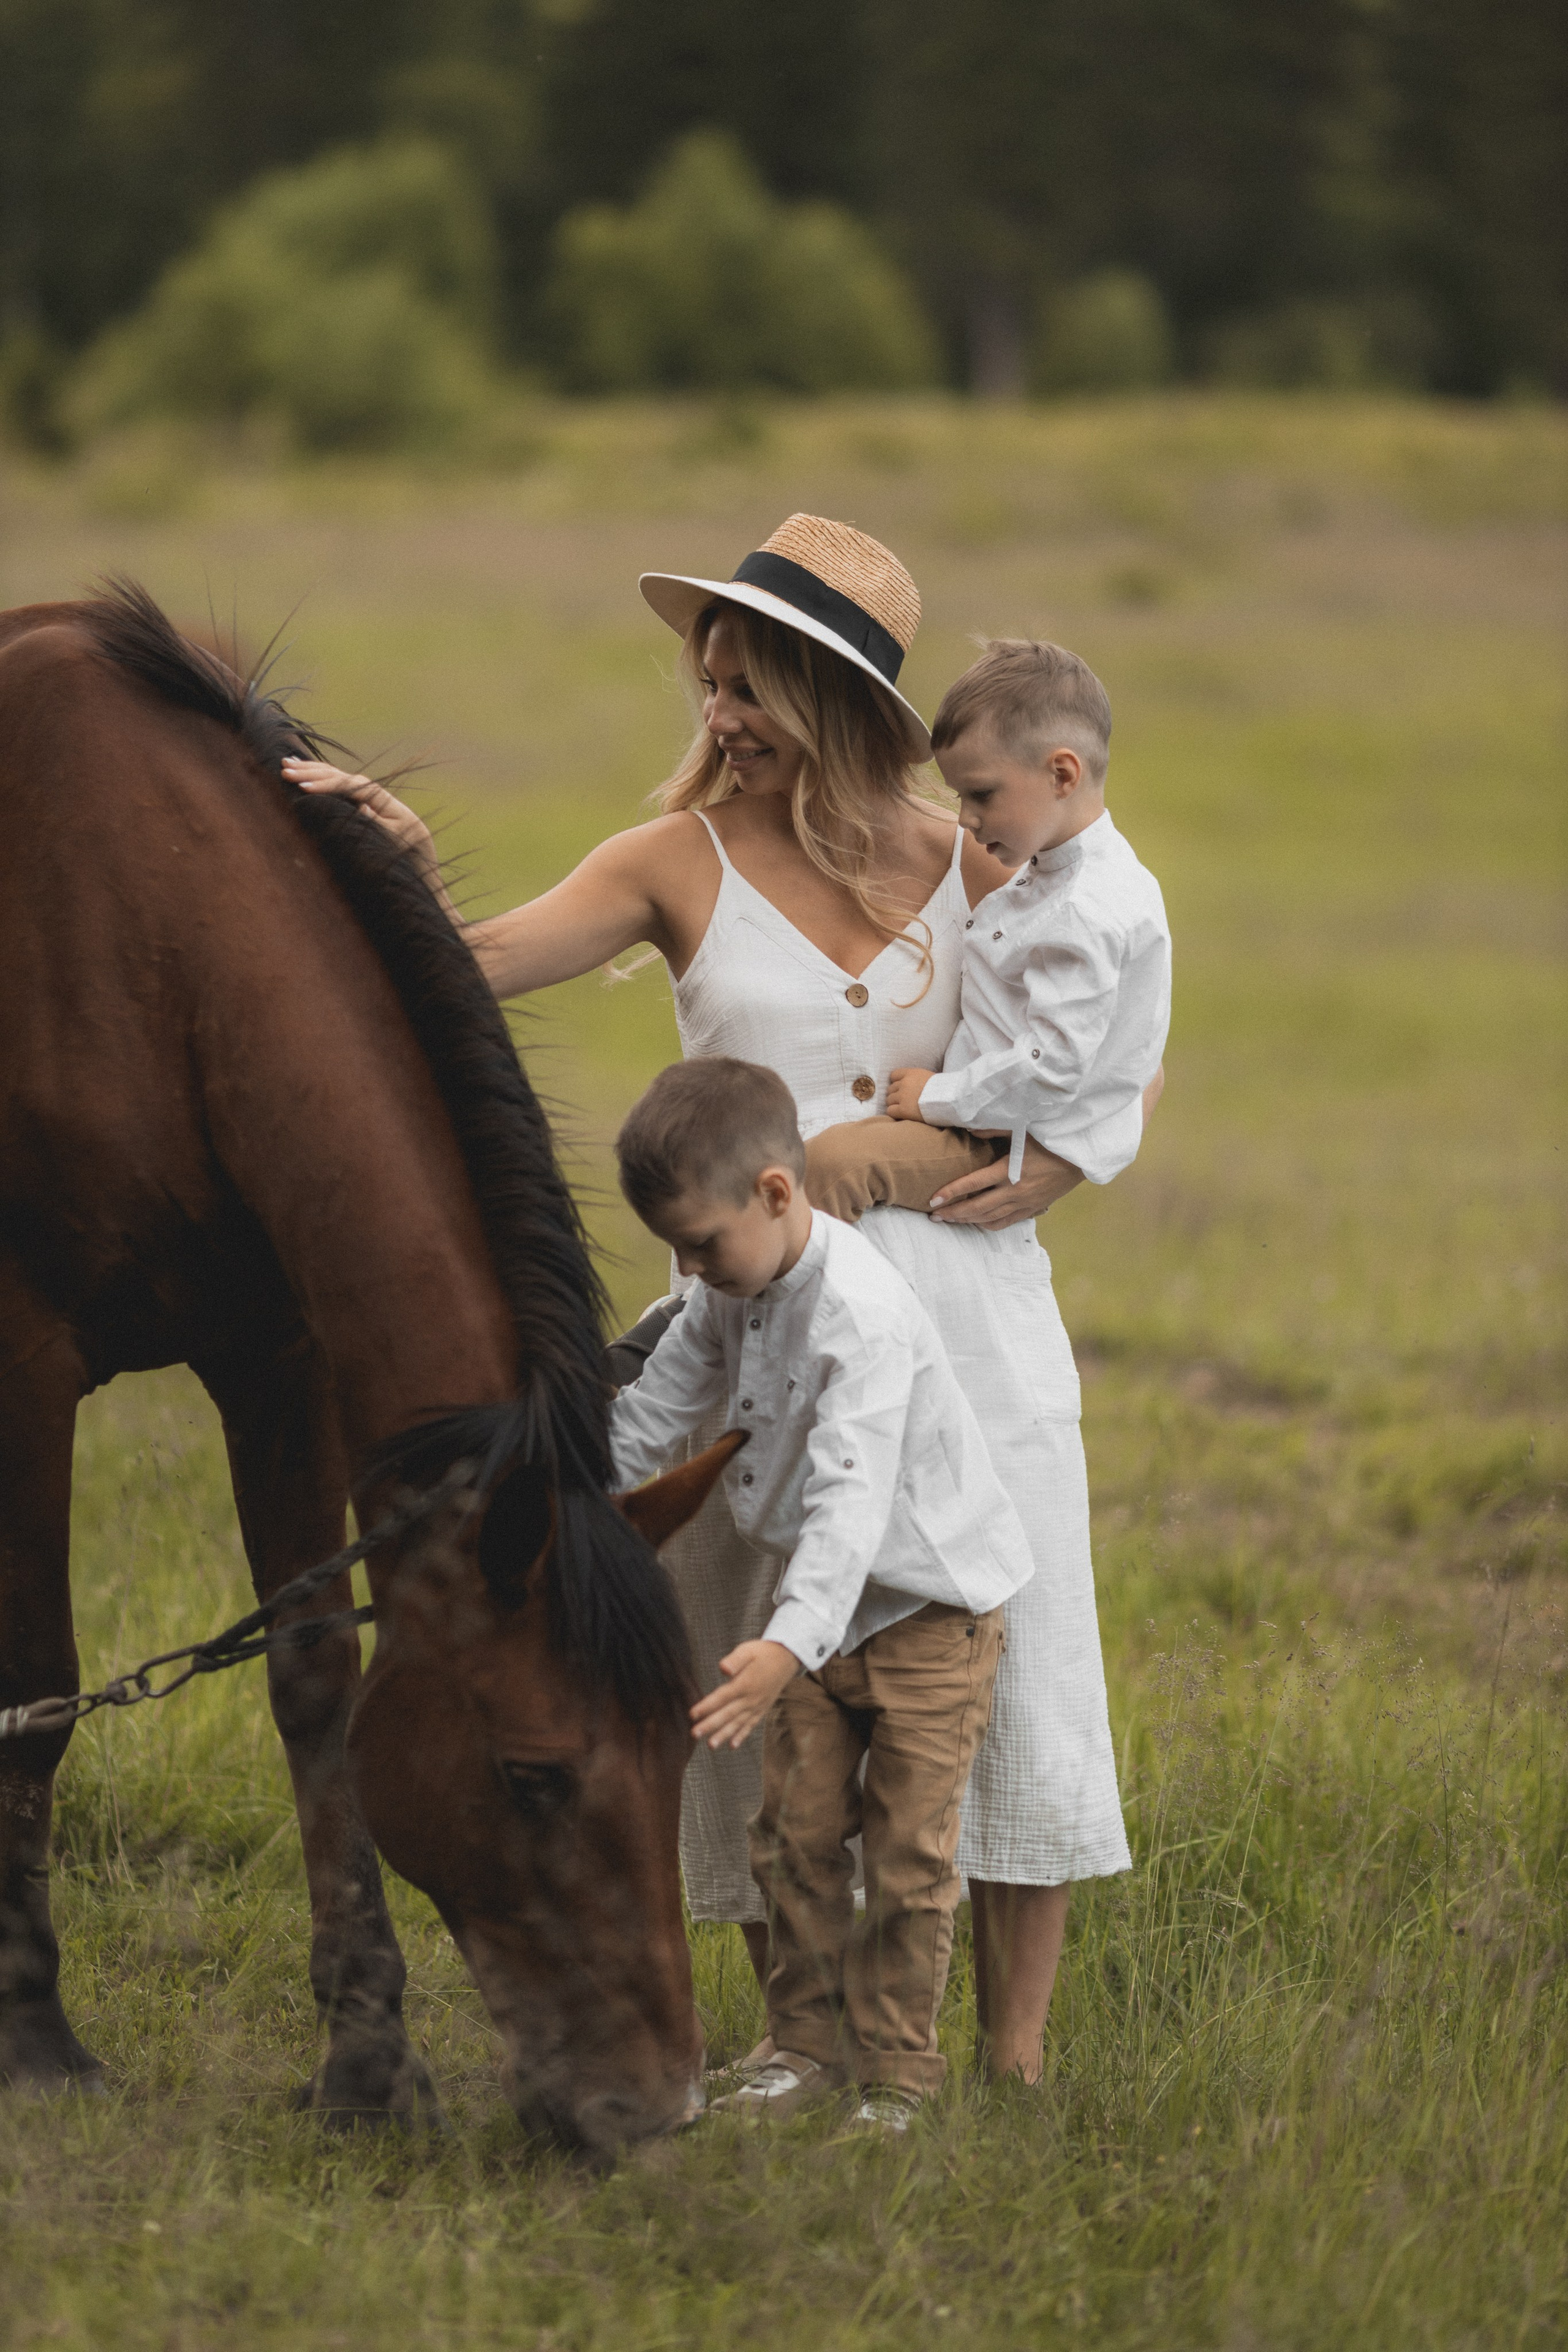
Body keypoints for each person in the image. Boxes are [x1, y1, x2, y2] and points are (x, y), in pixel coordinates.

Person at [284, 510, 1153, 2083]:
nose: (718, 711)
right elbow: (467, 965)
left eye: (750, 683)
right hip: (762, 1337)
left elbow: (1112, 1037)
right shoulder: (669, 861)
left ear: (836, 697)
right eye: (709, 679)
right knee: (757, 1672)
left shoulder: (980, 855)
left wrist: (1056, 1170)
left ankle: (1011, 2062)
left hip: (972, 1328)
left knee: (1019, 1678)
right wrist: (393, 854)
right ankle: (793, 2043)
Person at [607, 1056, 1034, 2129]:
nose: (689, 1269)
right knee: (792, 1838)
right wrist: (563, 1481)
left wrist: (786, 1647)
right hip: (821, 1613)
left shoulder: (860, 1317)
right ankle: (803, 2048)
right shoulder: (728, 1294)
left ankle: (895, 2076)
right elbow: (655, 1412)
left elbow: (852, 1505)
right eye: (676, 1250)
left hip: (928, 1615)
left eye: (701, 1243)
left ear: (775, 1193)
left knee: (906, 1856)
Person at [804, 638, 1170, 1227]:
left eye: (981, 795)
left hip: (999, 1131)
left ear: (1062, 774)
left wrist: (935, 1097)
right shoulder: (1087, 875)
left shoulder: (1083, 911)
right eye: (959, 797)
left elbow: (1050, 1068)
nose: (965, 818)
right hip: (996, 1115)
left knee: (835, 1166)